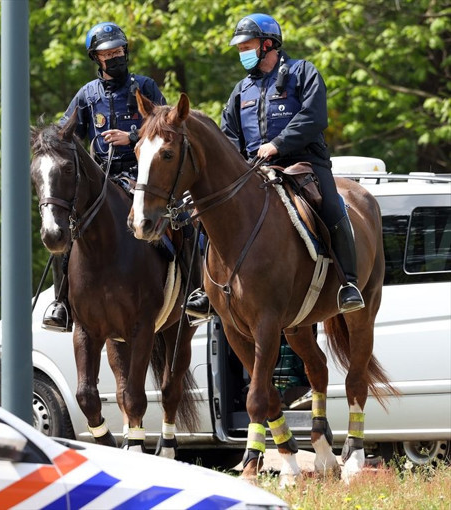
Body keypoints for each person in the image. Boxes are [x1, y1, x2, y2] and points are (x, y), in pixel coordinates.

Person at [184, 13, 364, 319]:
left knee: (332, 206)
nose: (242, 53)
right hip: (253, 169)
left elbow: (314, 116)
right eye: (239, 48)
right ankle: (205, 289)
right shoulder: (241, 90)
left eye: (247, 46)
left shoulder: (303, 72)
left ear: (268, 44)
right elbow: (229, 135)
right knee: (206, 215)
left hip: (304, 163)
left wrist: (278, 144)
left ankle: (348, 283)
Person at [42, 22, 168, 331]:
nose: (115, 57)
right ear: (96, 58)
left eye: (118, 51)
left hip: (144, 175)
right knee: (65, 226)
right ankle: (61, 303)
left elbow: (167, 126)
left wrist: (132, 136)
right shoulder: (87, 95)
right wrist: (48, 139)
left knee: (184, 220)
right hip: (101, 180)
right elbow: (65, 131)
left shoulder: (146, 86)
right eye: (107, 54)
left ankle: (195, 291)